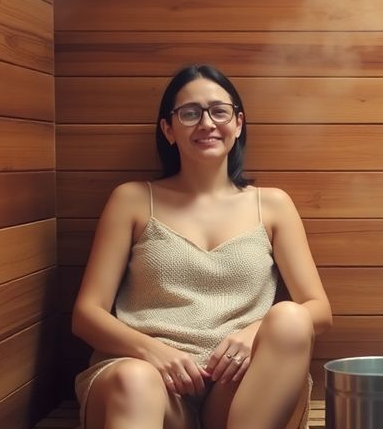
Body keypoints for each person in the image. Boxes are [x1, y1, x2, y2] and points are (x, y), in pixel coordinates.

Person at [72, 65, 332, 429]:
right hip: (151, 382)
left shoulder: (272, 205)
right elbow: (87, 314)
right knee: (135, 380)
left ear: (238, 124)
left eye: (219, 111)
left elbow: (317, 309)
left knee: (290, 319)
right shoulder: (132, 200)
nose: (207, 123)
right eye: (190, 113)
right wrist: (153, 352)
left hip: (238, 386)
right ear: (168, 129)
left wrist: (254, 333)